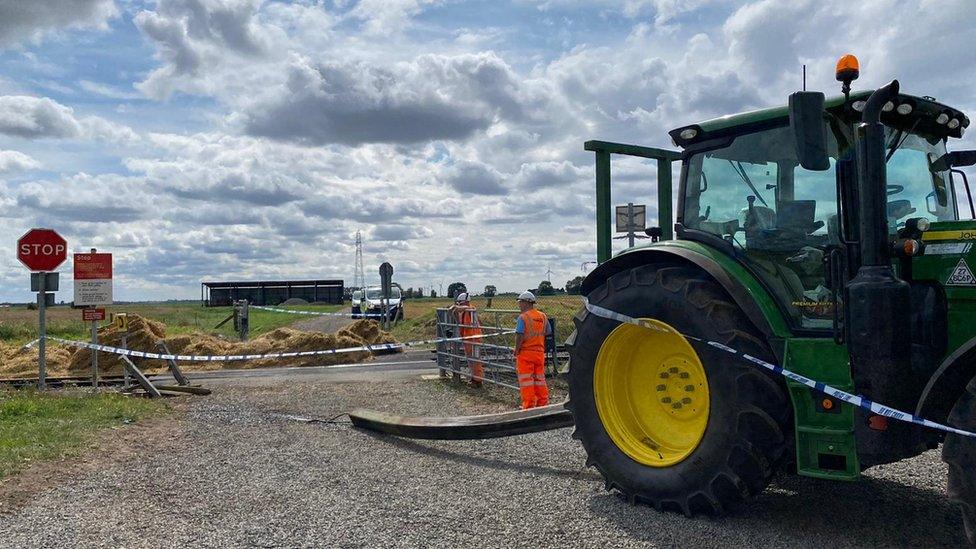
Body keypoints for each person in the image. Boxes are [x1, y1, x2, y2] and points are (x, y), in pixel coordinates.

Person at [514, 290, 551, 409]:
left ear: (526, 302)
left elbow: (519, 335)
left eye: (520, 302)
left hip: (525, 353)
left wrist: (517, 349)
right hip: (539, 353)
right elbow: (548, 332)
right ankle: (543, 403)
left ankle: (529, 405)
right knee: (540, 379)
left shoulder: (523, 317)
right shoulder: (543, 316)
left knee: (526, 381)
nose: (519, 305)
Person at [449, 292, 484, 387]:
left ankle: (478, 381)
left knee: (475, 361)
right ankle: (474, 379)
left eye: (460, 303)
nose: (459, 305)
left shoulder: (470, 309)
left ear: (465, 302)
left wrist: (456, 308)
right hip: (468, 339)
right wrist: (454, 312)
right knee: (471, 360)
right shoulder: (464, 312)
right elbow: (459, 322)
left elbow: (468, 308)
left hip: (474, 339)